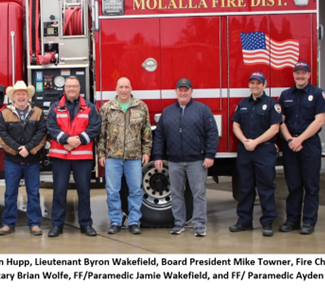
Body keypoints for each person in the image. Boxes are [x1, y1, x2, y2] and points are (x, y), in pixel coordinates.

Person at [153, 78, 218, 237]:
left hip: (196, 161)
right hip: (174, 161)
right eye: (180, 90)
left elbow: (212, 133)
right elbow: (160, 136)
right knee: (176, 193)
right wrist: (158, 156)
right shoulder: (168, 112)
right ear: (176, 91)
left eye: (186, 90)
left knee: (199, 194)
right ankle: (179, 224)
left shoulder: (202, 110)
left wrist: (210, 155)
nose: (183, 93)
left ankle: (199, 225)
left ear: (191, 91)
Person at [46, 75, 101, 237]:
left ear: (79, 88)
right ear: (64, 89)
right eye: (69, 86)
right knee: (59, 191)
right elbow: (51, 127)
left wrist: (76, 141)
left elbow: (94, 128)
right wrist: (66, 140)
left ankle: (86, 224)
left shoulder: (90, 108)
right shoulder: (55, 107)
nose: (71, 89)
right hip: (60, 157)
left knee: (84, 192)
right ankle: (57, 225)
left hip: (82, 158)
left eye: (74, 86)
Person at [278, 61, 325, 235]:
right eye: (297, 73)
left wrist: (300, 139)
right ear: (294, 74)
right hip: (291, 145)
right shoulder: (285, 95)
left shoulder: (318, 94)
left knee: (311, 186)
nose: (300, 76)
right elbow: (280, 121)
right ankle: (292, 221)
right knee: (293, 185)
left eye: (303, 73)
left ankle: (308, 221)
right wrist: (291, 139)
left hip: (309, 146)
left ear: (309, 74)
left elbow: (319, 120)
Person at [97, 77, 152, 235]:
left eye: (126, 87)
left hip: (134, 157)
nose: (123, 90)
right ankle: (115, 221)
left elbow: (146, 133)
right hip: (112, 157)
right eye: (120, 87)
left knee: (135, 190)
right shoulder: (108, 107)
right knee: (112, 191)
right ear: (116, 89)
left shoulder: (141, 107)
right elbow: (101, 134)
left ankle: (134, 221)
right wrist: (101, 154)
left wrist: (146, 152)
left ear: (131, 88)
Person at [229, 72, 282, 237]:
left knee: (266, 187)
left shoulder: (272, 104)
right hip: (246, 150)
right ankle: (244, 222)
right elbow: (235, 125)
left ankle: (267, 223)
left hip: (264, 150)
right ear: (249, 85)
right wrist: (245, 140)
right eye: (252, 83)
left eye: (258, 83)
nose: (255, 86)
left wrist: (255, 142)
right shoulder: (243, 104)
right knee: (245, 188)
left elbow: (275, 128)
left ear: (264, 85)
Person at [0, 81, 47, 236]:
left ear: (28, 95)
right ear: (13, 96)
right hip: (13, 160)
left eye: (23, 94)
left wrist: (29, 148)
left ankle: (35, 223)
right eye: (18, 94)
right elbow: (1, 134)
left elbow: (42, 133)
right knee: (10, 192)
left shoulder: (38, 112)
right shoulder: (4, 114)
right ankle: (8, 223)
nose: (21, 97)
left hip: (31, 160)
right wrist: (18, 149)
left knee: (33, 192)